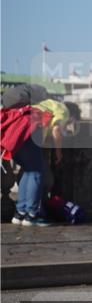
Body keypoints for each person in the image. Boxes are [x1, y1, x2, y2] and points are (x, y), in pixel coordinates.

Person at [1, 94, 80, 226]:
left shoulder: (46, 104)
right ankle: (31, 215)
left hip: (14, 135)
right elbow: (56, 130)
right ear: (72, 116)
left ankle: (20, 213)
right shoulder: (63, 110)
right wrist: (58, 151)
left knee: (29, 171)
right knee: (37, 172)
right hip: (29, 132)